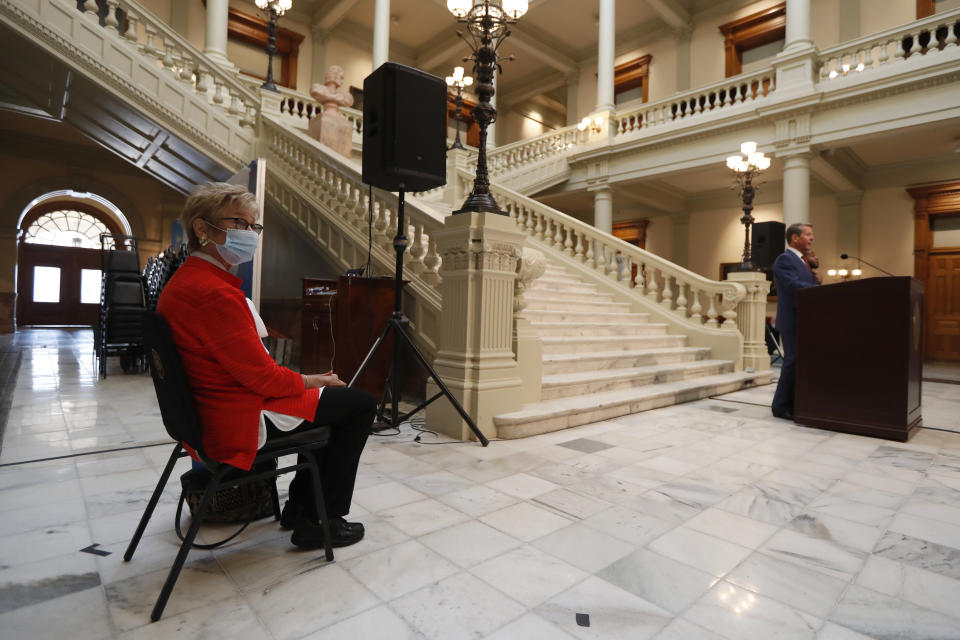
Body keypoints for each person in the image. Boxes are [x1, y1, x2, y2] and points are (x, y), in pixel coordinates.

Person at [157, 182, 375, 549]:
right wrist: (310, 380)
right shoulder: (212, 293)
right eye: (240, 223)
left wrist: (308, 384)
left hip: (208, 412)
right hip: (234, 418)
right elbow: (262, 377)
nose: (250, 234)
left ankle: (303, 508)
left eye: (253, 226)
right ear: (202, 228)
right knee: (358, 405)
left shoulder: (187, 281)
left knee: (333, 403)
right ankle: (320, 519)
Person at [771, 222, 819, 420]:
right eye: (808, 234)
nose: (812, 238)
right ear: (794, 238)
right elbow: (792, 285)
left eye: (811, 235)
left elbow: (810, 284)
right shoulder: (784, 259)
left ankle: (794, 402)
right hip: (792, 319)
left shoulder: (804, 261)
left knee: (800, 362)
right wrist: (815, 287)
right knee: (792, 360)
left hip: (804, 319)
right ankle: (780, 406)